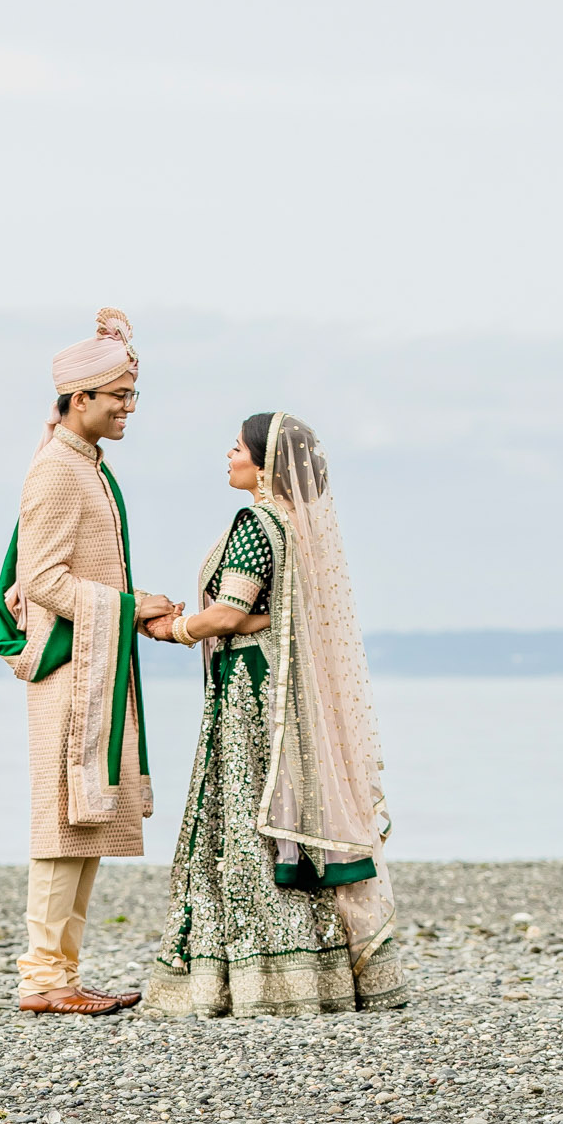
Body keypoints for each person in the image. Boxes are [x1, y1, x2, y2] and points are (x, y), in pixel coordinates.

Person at [140, 410, 401, 1017]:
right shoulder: (303, 531)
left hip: (253, 693)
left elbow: (232, 613)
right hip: (288, 693)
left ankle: (252, 978)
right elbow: (281, 613)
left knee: (245, 816)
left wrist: (171, 629)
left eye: (236, 447)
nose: (227, 455)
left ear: (264, 462)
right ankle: (320, 976)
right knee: (286, 814)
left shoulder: (257, 523)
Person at [0, 310, 176, 1015]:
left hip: (97, 667)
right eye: (117, 397)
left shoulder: (87, 466)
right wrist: (132, 608)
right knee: (59, 823)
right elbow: (41, 580)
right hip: (71, 669)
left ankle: (61, 974)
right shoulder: (56, 473)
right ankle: (43, 979)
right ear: (78, 400)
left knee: (86, 822)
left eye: (131, 396)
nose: (128, 409)